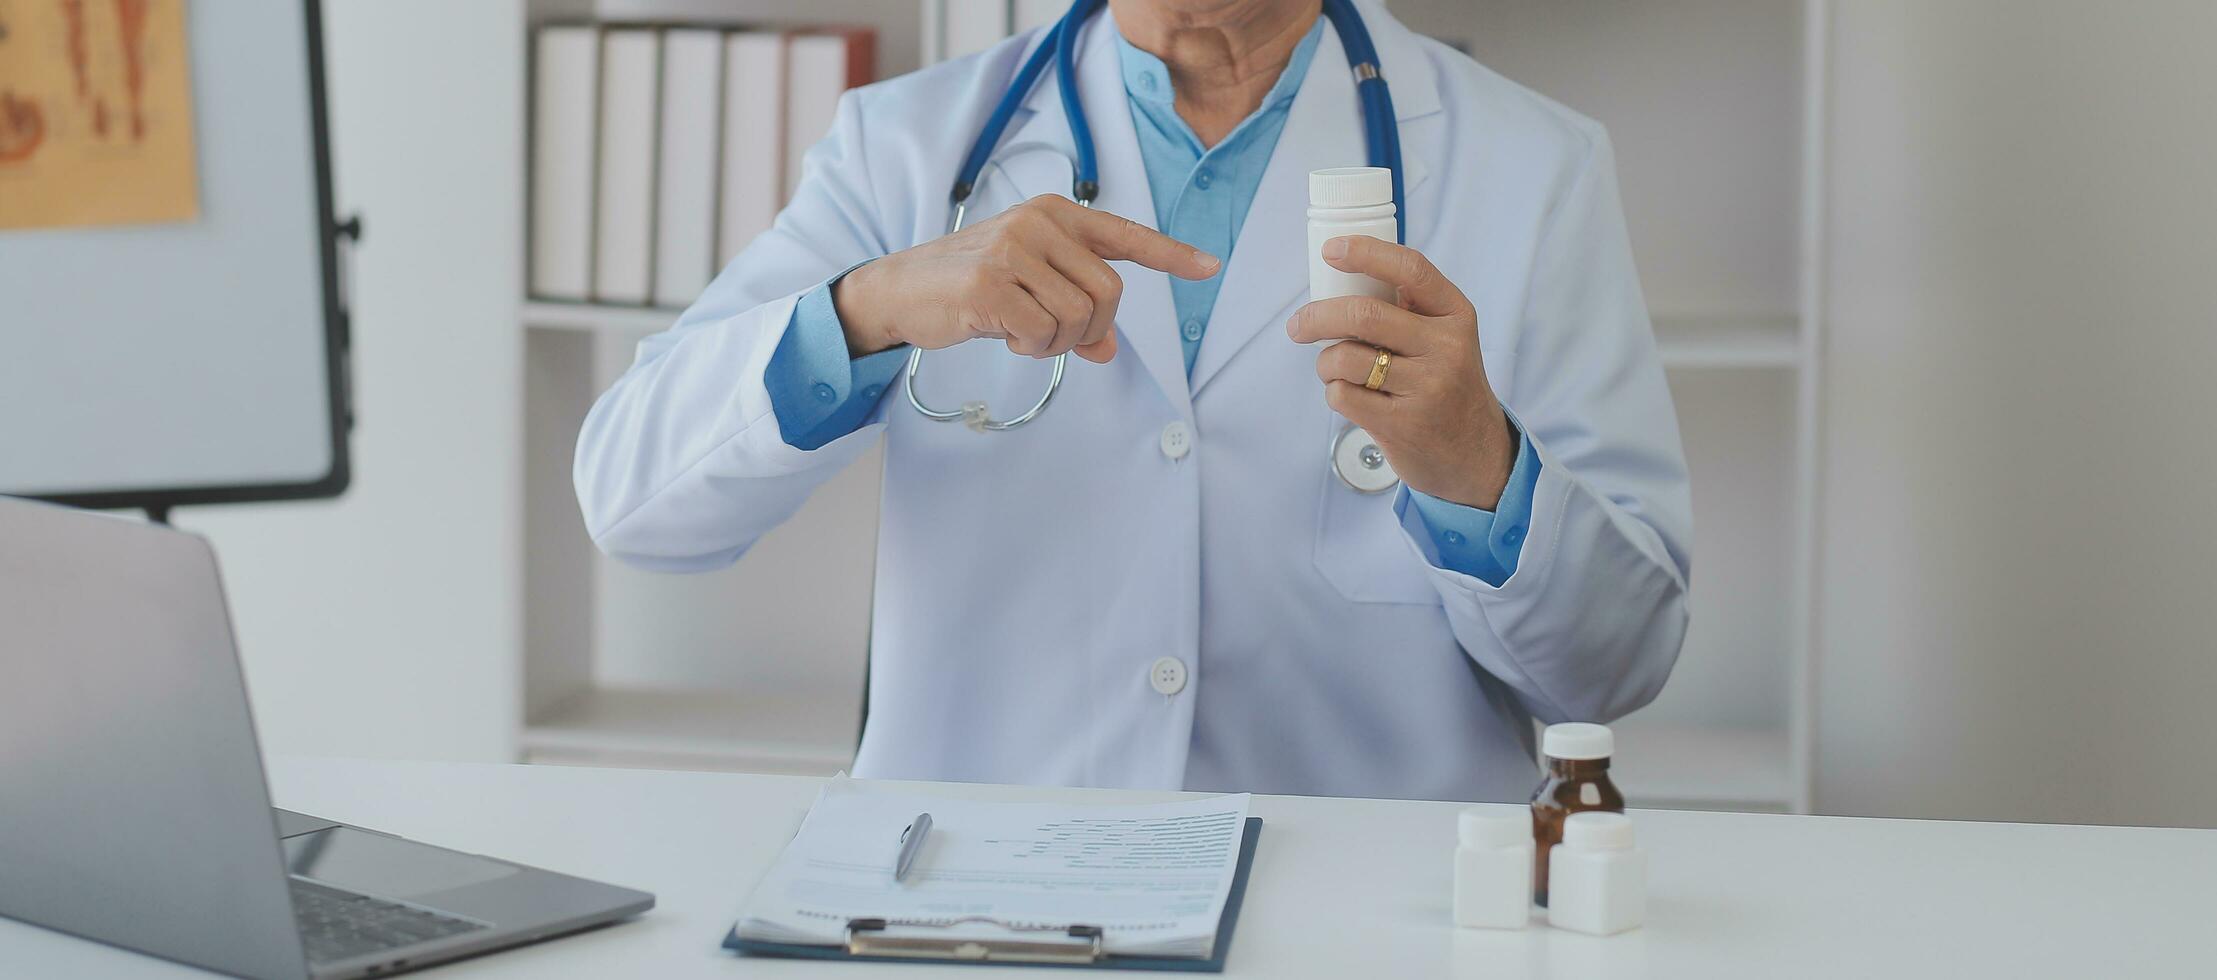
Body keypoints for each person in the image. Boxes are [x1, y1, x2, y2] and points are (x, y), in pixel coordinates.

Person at [574, 0, 1691, 802]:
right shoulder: (906, 148)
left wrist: (1478, 469)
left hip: (1373, 905)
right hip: (983, 895)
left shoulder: (1533, 167)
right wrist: (872, 305)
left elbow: (1616, 669)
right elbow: (633, 501)